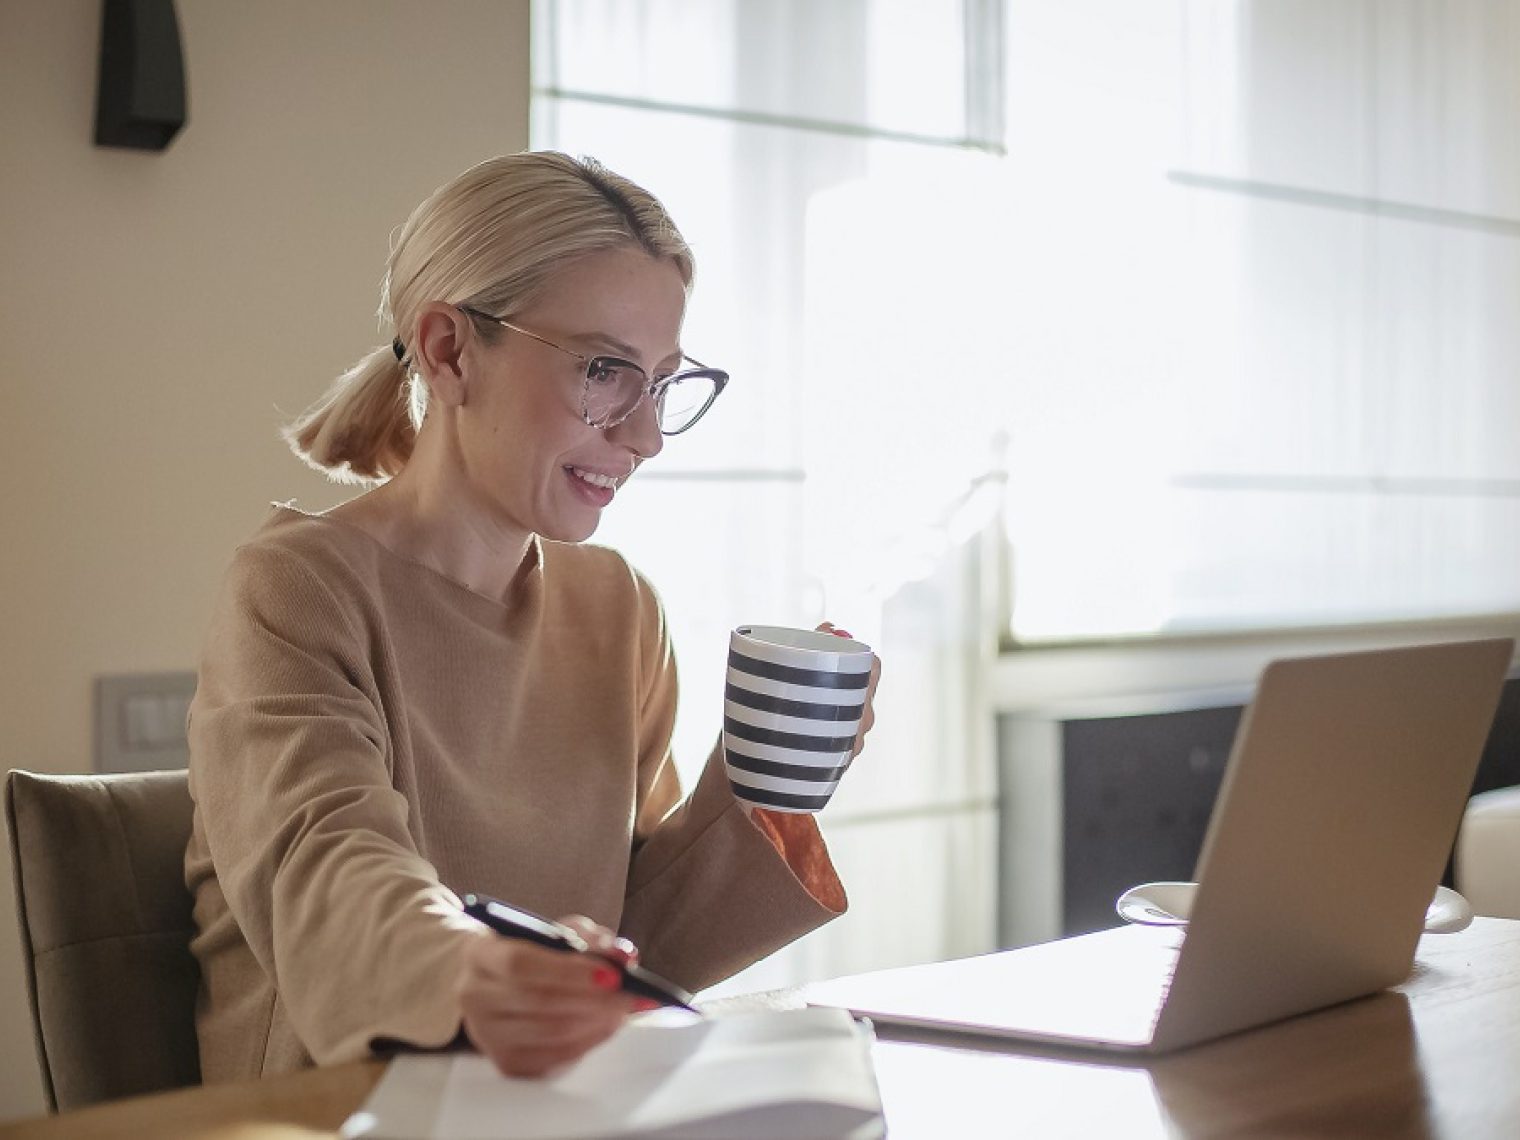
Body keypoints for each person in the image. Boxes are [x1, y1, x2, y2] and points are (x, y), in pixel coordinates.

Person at [183, 151, 880, 1084]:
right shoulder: (296, 589)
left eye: (663, 381)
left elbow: (636, 948)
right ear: (449, 350)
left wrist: (769, 787)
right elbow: (327, 866)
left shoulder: (617, 606)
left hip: (543, 1105)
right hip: (339, 1107)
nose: (645, 435)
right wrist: (471, 971)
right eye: (604, 371)